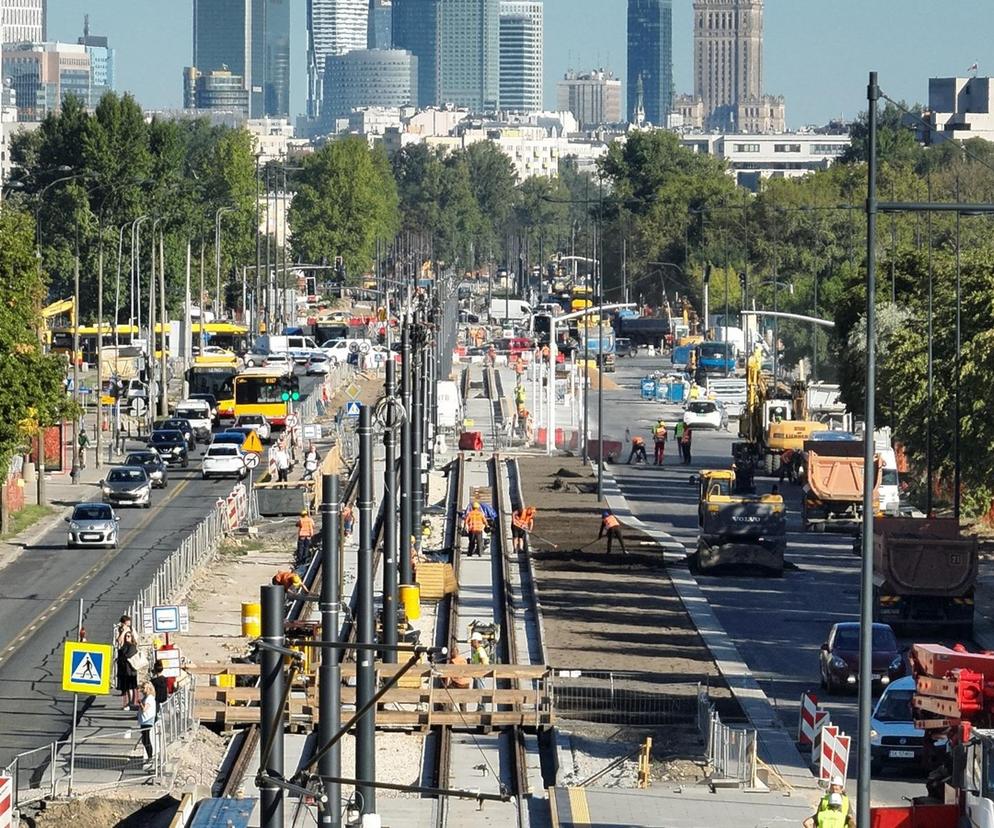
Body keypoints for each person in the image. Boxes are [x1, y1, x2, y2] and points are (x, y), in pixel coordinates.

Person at [117, 631, 140, 709]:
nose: (127, 637)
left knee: (131, 687)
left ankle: (131, 703)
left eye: (129, 636)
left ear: (132, 637)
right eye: (126, 636)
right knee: (126, 688)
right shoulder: (124, 646)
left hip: (130, 670)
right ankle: (129, 703)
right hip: (124, 670)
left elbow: (128, 655)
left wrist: (122, 657)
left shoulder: (132, 646)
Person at [137, 681, 157, 769]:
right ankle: (149, 756)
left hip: (147, 720)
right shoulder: (147, 697)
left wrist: (140, 703)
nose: (142, 690)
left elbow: (145, 709)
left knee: (146, 739)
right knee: (145, 739)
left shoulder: (149, 698)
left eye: (143, 688)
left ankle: (150, 757)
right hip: (144, 720)